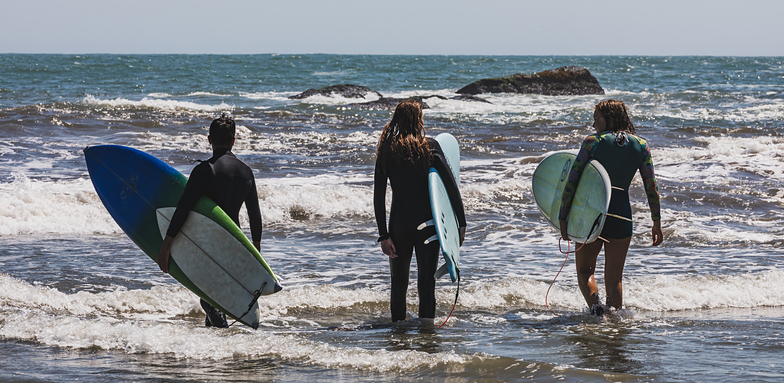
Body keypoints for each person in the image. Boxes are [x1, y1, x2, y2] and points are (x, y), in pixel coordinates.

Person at [157, 114, 263, 328]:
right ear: (234, 141)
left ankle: (223, 341)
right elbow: (255, 216)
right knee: (215, 296)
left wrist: (166, 245)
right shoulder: (246, 172)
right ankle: (215, 354)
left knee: (209, 298)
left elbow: (183, 209)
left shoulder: (205, 170)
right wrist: (256, 254)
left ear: (209, 140)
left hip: (206, 245)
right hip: (234, 244)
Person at [559, 99, 663, 315]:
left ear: (610, 117)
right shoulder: (641, 146)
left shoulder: (592, 143)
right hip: (622, 218)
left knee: (584, 272)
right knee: (614, 278)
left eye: (597, 117)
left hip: (592, 217)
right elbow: (651, 187)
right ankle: (615, 323)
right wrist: (656, 222)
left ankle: (597, 312)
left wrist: (563, 217)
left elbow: (572, 182)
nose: (593, 123)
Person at [374, 100, 467, 322]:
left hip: (399, 226)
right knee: (427, 282)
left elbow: (378, 196)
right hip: (429, 227)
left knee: (398, 284)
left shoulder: (386, 149)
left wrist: (383, 235)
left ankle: (398, 333)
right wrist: (460, 223)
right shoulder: (430, 146)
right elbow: (451, 187)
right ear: (419, 119)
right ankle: (427, 333)